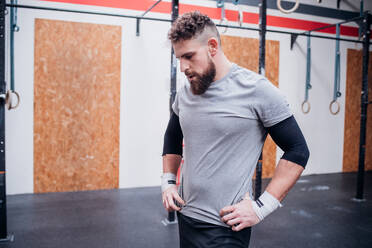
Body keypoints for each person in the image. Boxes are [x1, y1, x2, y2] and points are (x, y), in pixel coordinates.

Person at [161, 11, 309, 248]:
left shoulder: (257, 90)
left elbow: (298, 150)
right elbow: (172, 136)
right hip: (186, 217)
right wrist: (168, 182)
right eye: (179, 58)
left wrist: (262, 208)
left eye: (189, 56)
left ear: (212, 46)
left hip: (226, 226)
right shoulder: (186, 92)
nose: (183, 67)